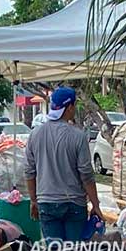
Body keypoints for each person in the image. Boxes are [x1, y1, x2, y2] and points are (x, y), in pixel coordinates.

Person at [24, 87, 101, 241]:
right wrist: (95, 204)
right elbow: (86, 175)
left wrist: (33, 200)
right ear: (70, 107)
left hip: (46, 203)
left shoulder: (35, 135)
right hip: (74, 205)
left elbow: (29, 171)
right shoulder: (78, 136)